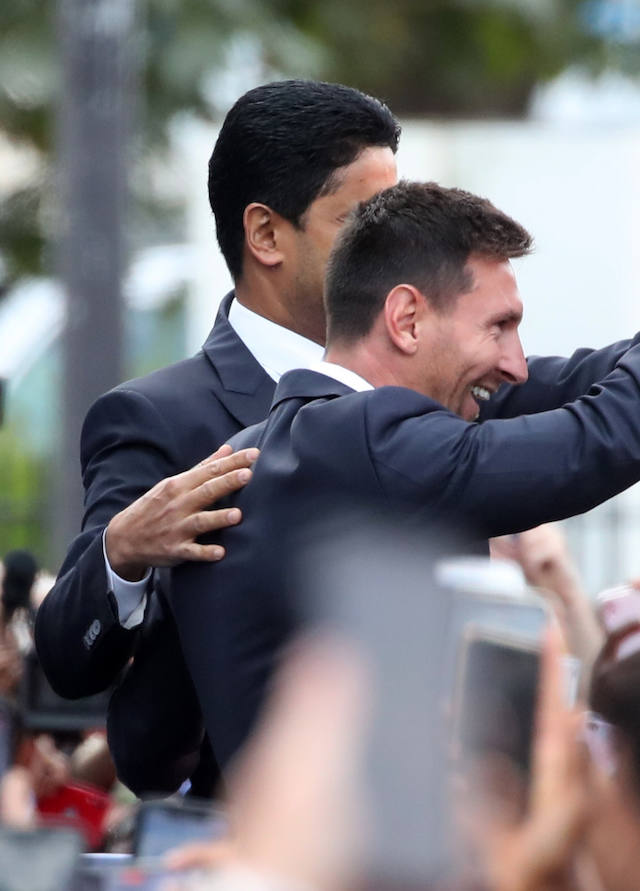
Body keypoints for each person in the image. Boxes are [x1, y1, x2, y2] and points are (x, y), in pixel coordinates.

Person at [152, 170, 640, 775]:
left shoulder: (299, 444)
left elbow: (605, 377)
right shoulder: (362, 441)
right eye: (500, 327)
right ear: (406, 319)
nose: (516, 363)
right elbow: (607, 434)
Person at [32, 80, 404, 796]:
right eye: (362, 224)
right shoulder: (158, 416)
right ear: (266, 234)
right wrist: (123, 552)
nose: (394, 253)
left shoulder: (416, 392)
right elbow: (68, 658)